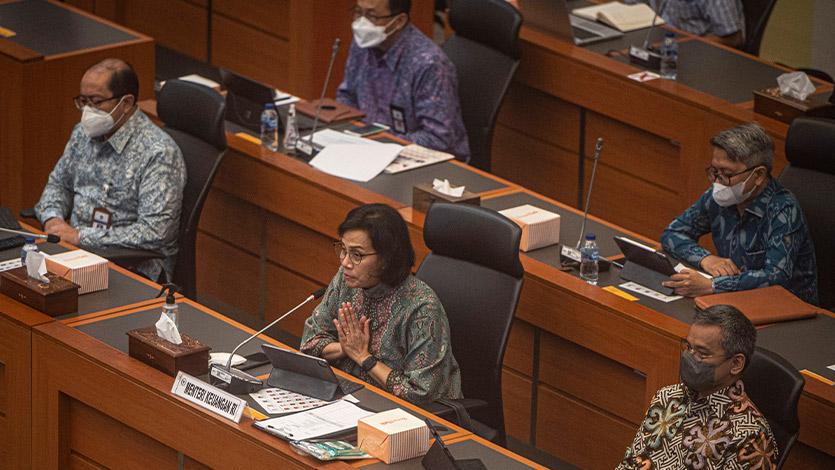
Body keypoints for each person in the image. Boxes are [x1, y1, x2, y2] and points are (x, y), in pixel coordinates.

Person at [35, 59, 185, 282]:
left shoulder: (158, 154)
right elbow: (59, 184)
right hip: (73, 254)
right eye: (83, 101)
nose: (87, 111)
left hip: (129, 267)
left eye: (96, 102)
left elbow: (156, 233)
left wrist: (79, 236)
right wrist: (53, 219)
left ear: (126, 103)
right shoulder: (82, 134)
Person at [300, 203, 462, 404]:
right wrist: (345, 348)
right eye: (343, 249)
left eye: (357, 254)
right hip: (350, 398)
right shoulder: (347, 279)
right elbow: (309, 343)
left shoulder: (422, 307)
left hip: (411, 420)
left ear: (386, 258)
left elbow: (421, 393)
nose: (345, 262)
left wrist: (364, 358)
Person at [661, 123, 818, 304]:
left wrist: (713, 285)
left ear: (758, 175)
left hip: (786, 309)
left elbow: (776, 276)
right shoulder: (718, 196)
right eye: (715, 171)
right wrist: (707, 259)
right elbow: (672, 233)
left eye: (726, 173)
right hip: (735, 300)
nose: (718, 181)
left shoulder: (784, 209)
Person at [617, 305, 778, 469]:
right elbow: (632, 462)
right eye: (688, 347)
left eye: (702, 353)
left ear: (736, 363)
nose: (690, 358)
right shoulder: (667, 397)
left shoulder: (750, 436)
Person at [337, 0, 470, 161]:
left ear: (399, 21)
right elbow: (347, 96)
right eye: (358, 12)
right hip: (367, 150)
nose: (361, 23)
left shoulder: (429, 64)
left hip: (423, 162)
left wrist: (378, 144)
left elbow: (438, 139)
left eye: (371, 16)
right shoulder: (364, 42)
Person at [626, 0, 745, 48]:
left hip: (700, 55)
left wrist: (684, 44)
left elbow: (734, 38)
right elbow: (632, 5)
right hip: (659, 44)